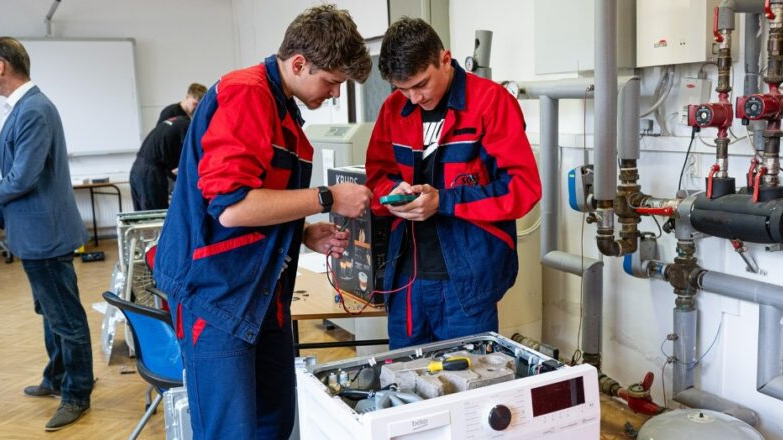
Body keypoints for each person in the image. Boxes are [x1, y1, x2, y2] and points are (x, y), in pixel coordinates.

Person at [152, 5, 372, 439]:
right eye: (331, 82)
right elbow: (232, 208)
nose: (333, 94)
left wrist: (302, 234)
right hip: (216, 294)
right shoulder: (246, 94)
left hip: (259, 292)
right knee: (230, 430)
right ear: (298, 63)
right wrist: (326, 197)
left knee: (273, 418)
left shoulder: (281, 107)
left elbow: (259, 200)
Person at [365, 18, 542, 349]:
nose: (414, 97)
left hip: (466, 283)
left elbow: (523, 188)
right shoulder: (394, 109)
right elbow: (376, 178)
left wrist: (444, 201)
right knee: (404, 385)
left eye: (421, 84)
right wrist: (392, 193)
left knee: (469, 385)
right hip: (407, 279)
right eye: (402, 89)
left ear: (445, 59)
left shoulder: (491, 103)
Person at [0, 37, 93, 431]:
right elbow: (11, 177)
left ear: (1, 65)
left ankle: (78, 393)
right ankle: (57, 378)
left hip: (45, 235)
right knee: (50, 313)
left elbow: (22, 178)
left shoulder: (34, 109)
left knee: (65, 318)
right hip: (33, 233)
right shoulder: (22, 109)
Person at [129, 115, 189, 210]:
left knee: (141, 216)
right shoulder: (188, 127)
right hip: (150, 173)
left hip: (137, 168)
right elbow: (190, 159)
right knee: (154, 215)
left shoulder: (178, 121)